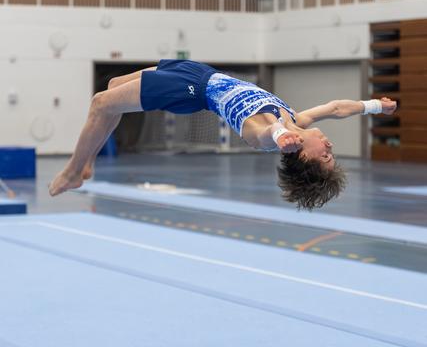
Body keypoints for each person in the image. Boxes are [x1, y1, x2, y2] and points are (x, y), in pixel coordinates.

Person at [49, 59, 397, 209]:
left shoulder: (266, 135)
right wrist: (374, 106)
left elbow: (265, 132)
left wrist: (280, 137)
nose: (329, 145)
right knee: (113, 89)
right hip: (199, 72)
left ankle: (74, 170)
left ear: (301, 154)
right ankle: (87, 164)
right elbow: (336, 108)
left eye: (326, 155)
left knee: (99, 103)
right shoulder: (296, 119)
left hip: (190, 90)